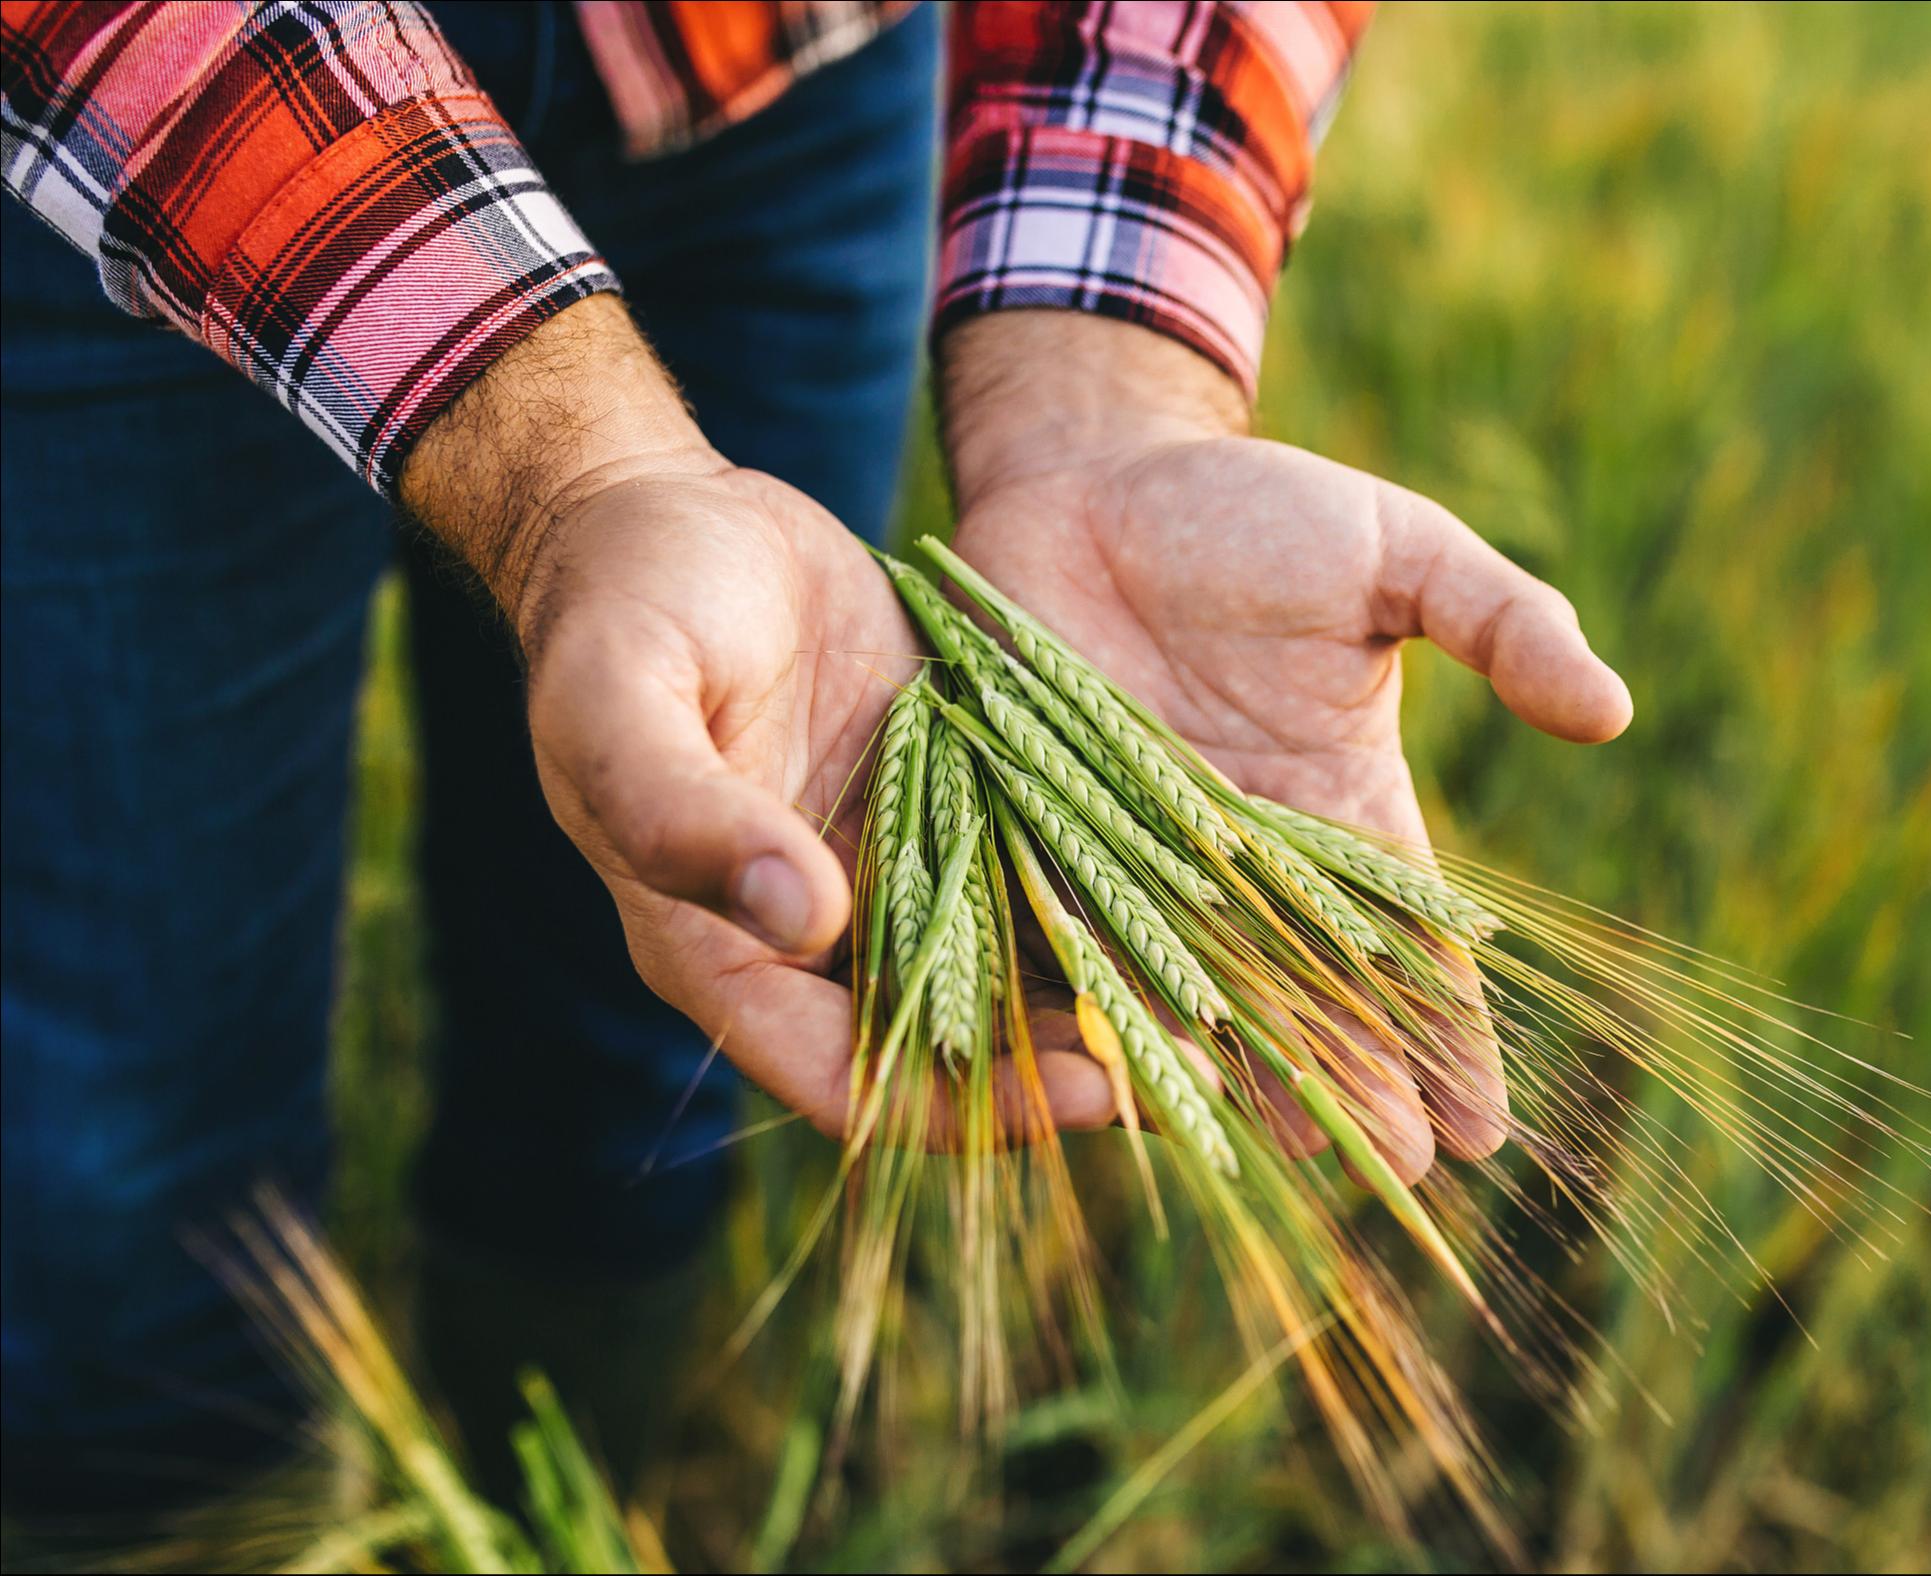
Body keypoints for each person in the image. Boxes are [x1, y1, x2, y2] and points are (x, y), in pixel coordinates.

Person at [0, 0, 1633, 1517]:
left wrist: (1107, 408)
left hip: (789, 67)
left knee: (679, 976)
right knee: (130, 1117)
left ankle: (554, 1506)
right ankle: (174, 1512)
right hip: (136, 111)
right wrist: (571, 476)